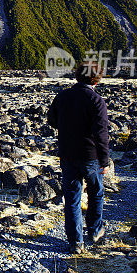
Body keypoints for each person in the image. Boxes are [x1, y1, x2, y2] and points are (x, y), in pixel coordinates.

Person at [47, 60, 109, 254]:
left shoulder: (63, 96)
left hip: (67, 153)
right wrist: (105, 161)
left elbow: (52, 120)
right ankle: (95, 230)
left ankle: (75, 242)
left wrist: (68, 128)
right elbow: (101, 134)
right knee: (96, 192)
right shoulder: (96, 100)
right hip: (90, 155)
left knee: (72, 197)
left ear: (77, 76)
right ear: (97, 80)